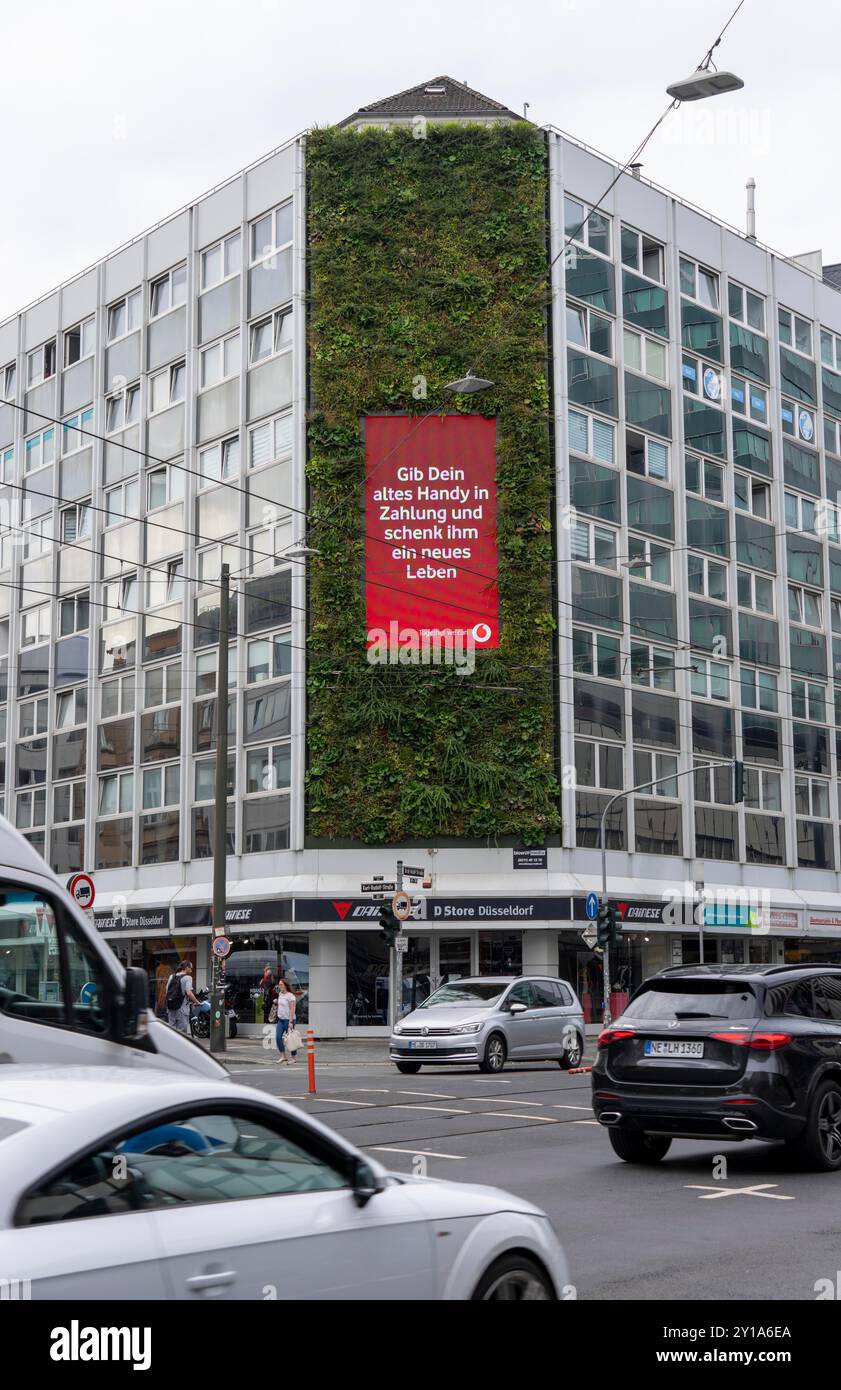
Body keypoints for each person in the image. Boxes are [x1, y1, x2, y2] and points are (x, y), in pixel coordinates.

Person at [166, 960, 199, 1034]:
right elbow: (189, 992)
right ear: (186, 967)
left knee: (172, 1032)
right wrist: (197, 1002)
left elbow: (166, 990)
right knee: (181, 1033)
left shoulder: (171, 976)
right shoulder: (188, 978)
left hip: (170, 1007)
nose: (191, 969)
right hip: (182, 1009)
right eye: (191, 968)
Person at [274, 977, 298, 1064]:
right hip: (281, 1020)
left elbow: (292, 1009)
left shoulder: (290, 996)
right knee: (277, 1038)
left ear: (285, 985)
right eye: (279, 984)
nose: (279, 986)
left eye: (281, 984)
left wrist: (291, 1022)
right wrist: (277, 1001)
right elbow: (282, 1004)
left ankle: (294, 1058)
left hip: (289, 1020)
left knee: (290, 1040)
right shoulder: (280, 994)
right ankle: (283, 1056)